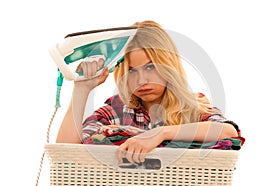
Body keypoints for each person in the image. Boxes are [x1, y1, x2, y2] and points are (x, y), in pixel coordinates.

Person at [56, 20, 242, 164]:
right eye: (132, 70)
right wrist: (81, 89)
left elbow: (228, 131)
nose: (142, 80)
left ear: (169, 65)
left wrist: (160, 134)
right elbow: (64, 153)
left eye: (151, 67)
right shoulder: (118, 109)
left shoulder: (193, 107)